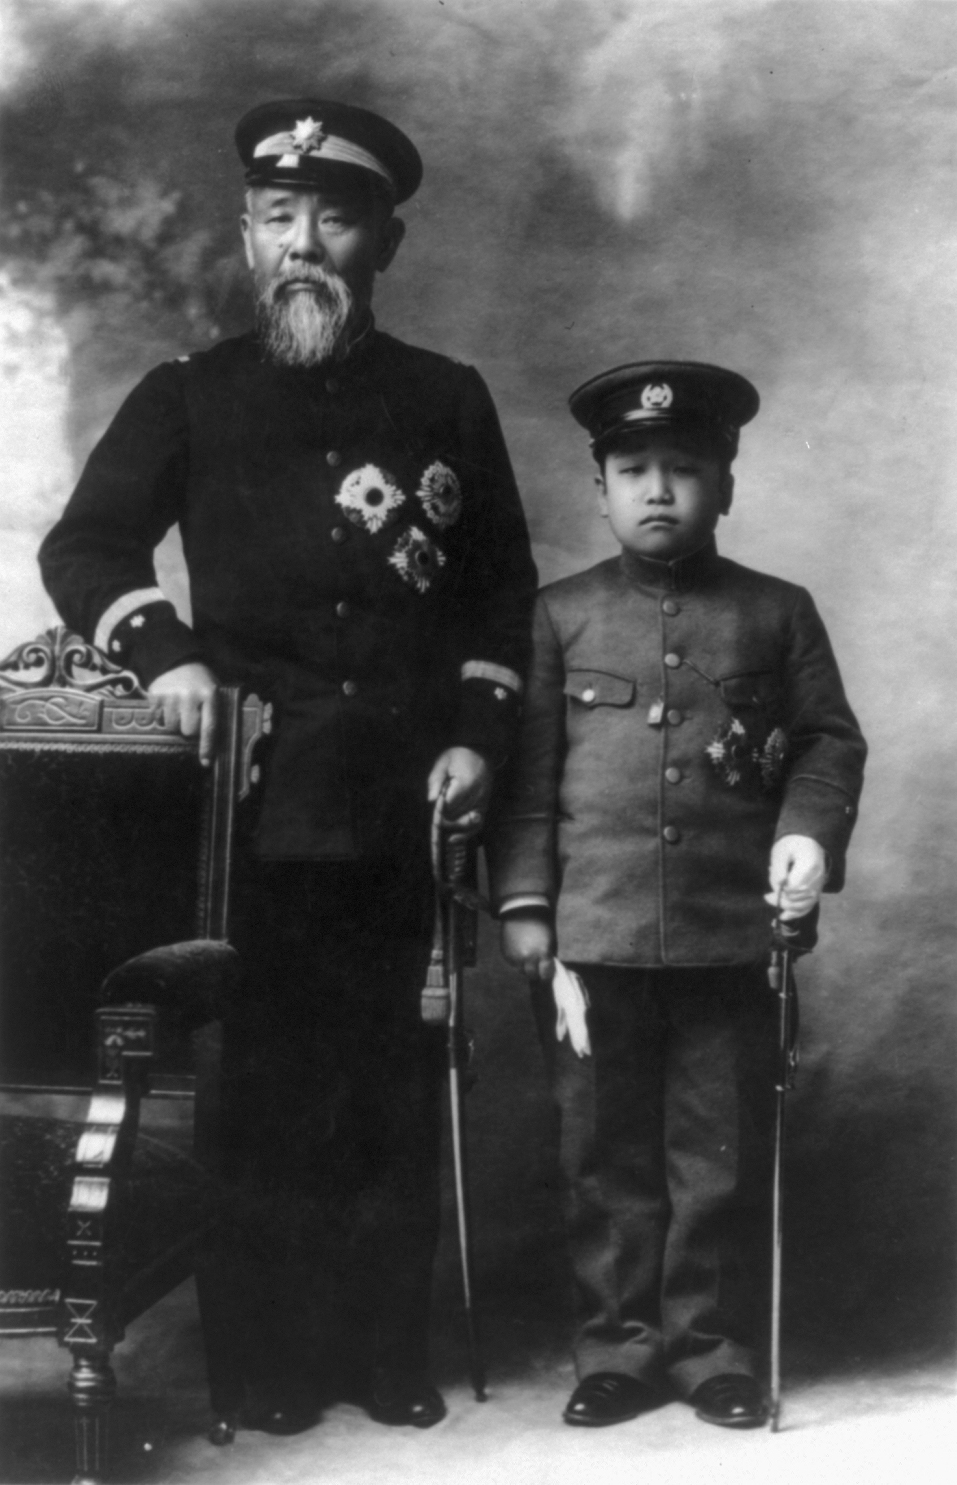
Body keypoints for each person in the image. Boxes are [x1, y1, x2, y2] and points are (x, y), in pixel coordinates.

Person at [39, 97, 537, 1438]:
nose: (304, 241)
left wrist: (475, 737)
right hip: (251, 805)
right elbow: (84, 549)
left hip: (404, 797)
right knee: (261, 1082)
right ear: (249, 236)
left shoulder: (445, 397)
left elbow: (499, 595)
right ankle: (261, 1364)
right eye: (278, 217)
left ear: (385, 240)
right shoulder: (188, 394)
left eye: (334, 217)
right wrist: (165, 656)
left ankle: (383, 1354)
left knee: (384, 1074)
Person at [488, 361, 866, 1430]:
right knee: (603, 1157)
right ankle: (618, 1347)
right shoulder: (559, 615)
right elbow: (527, 780)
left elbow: (828, 743)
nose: (658, 489)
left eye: (685, 469)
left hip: (727, 936)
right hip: (593, 936)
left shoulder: (777, 612)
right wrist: (526, 906)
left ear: (726, 486)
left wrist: (805, 834)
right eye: (633, 470)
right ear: (601, 489)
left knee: (717, 1155)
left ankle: (712, 1351)